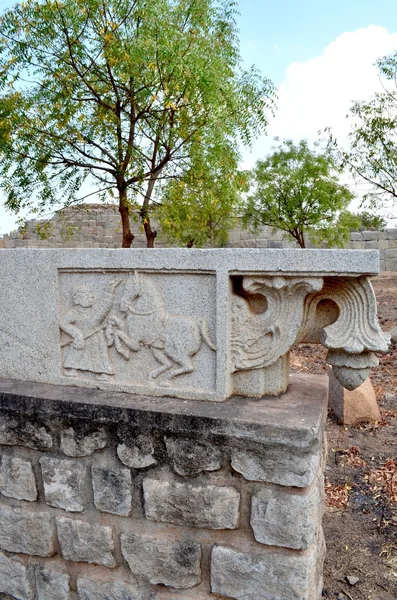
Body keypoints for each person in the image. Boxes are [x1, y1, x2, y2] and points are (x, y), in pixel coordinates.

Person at [60, 279, 120, 380]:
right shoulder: (73, 312)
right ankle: (72, 369)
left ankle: (103, 372)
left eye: (91, 294)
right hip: (82, 338)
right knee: (77, 353)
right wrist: (76, 334)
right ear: (77, 299)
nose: (91, 296)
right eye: (86, 294)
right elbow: (63, 323)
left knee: (99, 356)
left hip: (96, 339)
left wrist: (109, 291)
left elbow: (104, 307)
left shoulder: (95, 311)